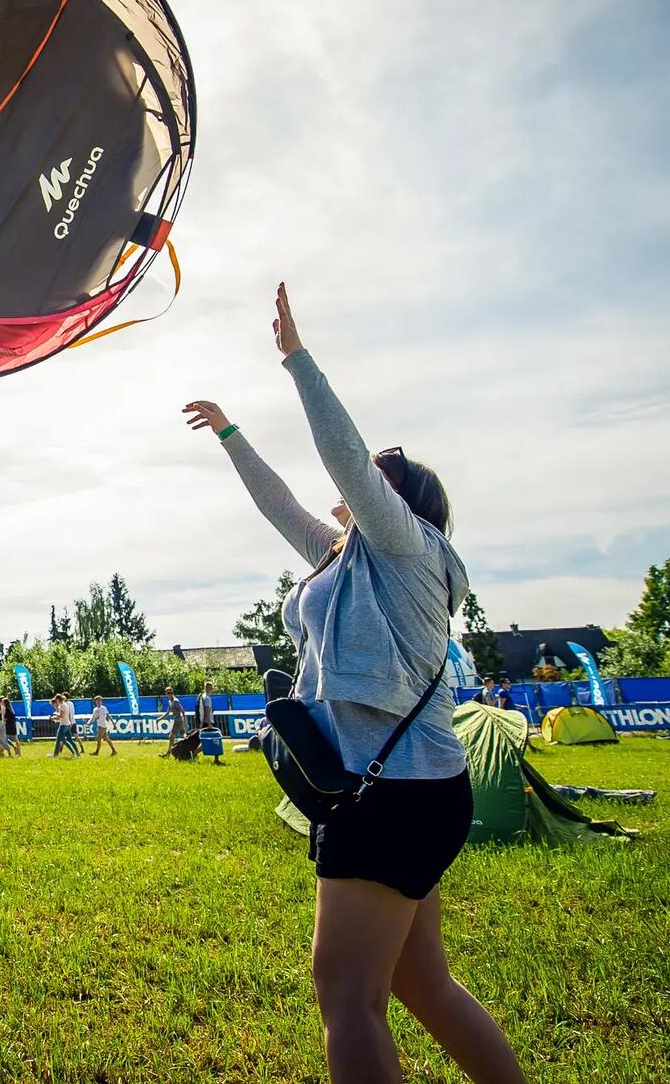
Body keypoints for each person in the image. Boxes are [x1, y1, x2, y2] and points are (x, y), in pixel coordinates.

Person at [184, 284, 525, 1084]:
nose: (361, 477)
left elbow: (344, 455)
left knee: (346, 993)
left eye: (379, 475)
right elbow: (282, 507)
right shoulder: (344, 559)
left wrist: (295, 358)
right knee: (420, 982)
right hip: (409, 788)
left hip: (390, 795)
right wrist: (231, 433)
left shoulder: (407, 549)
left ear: (400, 502)